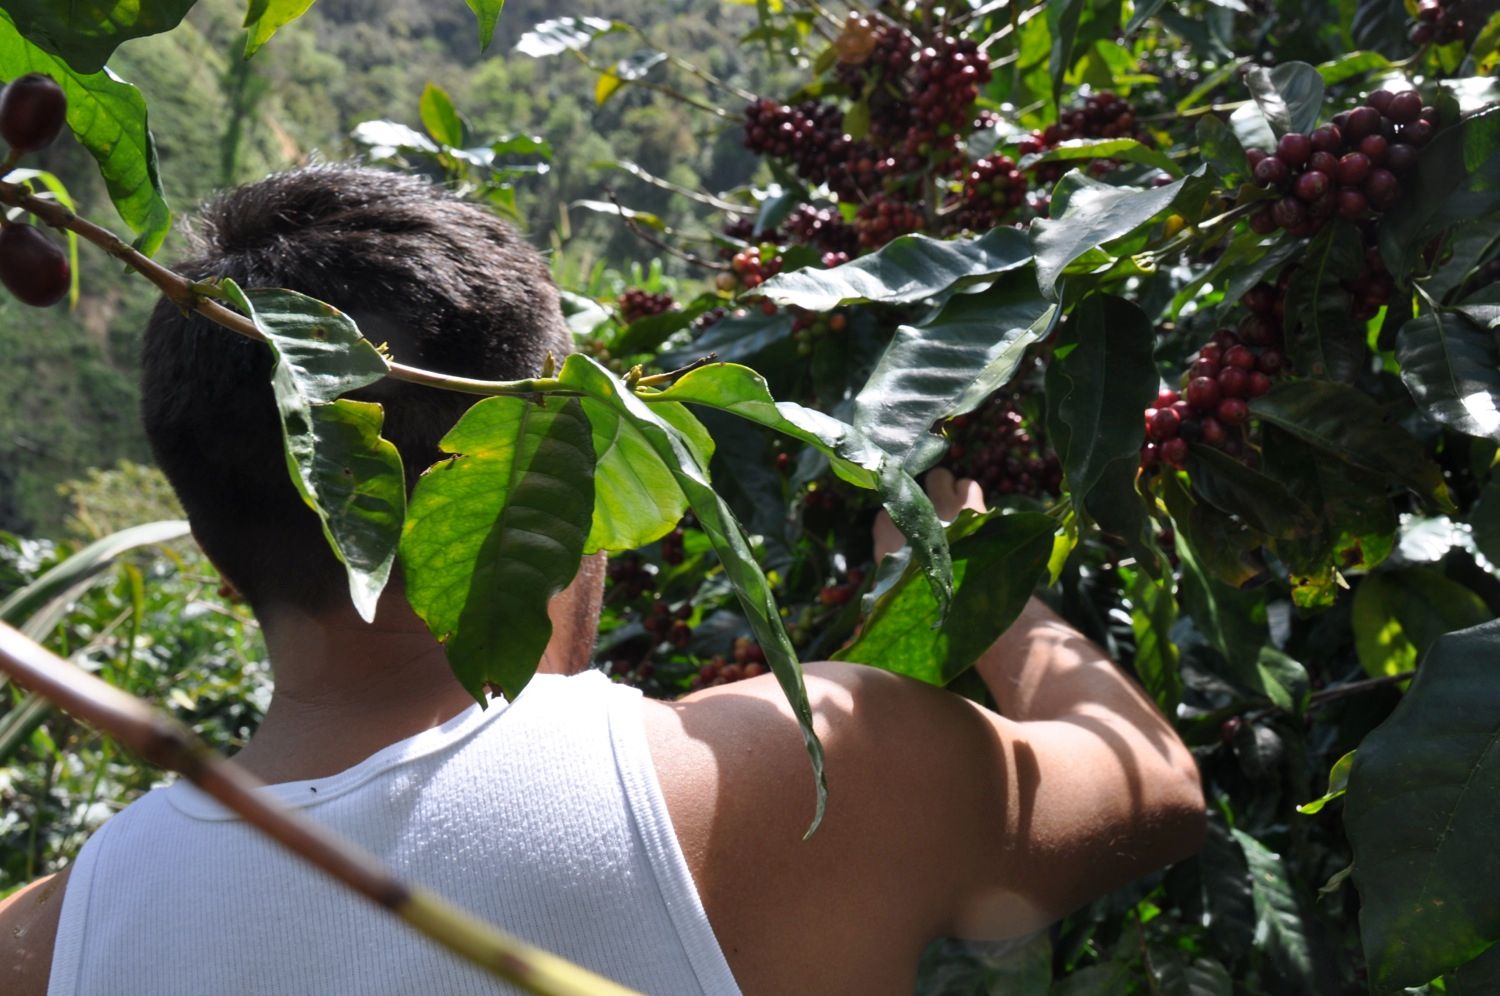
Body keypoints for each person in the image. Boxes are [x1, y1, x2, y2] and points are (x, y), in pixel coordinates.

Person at [0, 165, 1204, 995]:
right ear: (564, 472)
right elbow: (1153, 783)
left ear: (215, 558)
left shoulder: (45, 945)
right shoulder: (800, 770)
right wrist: (973, 584)